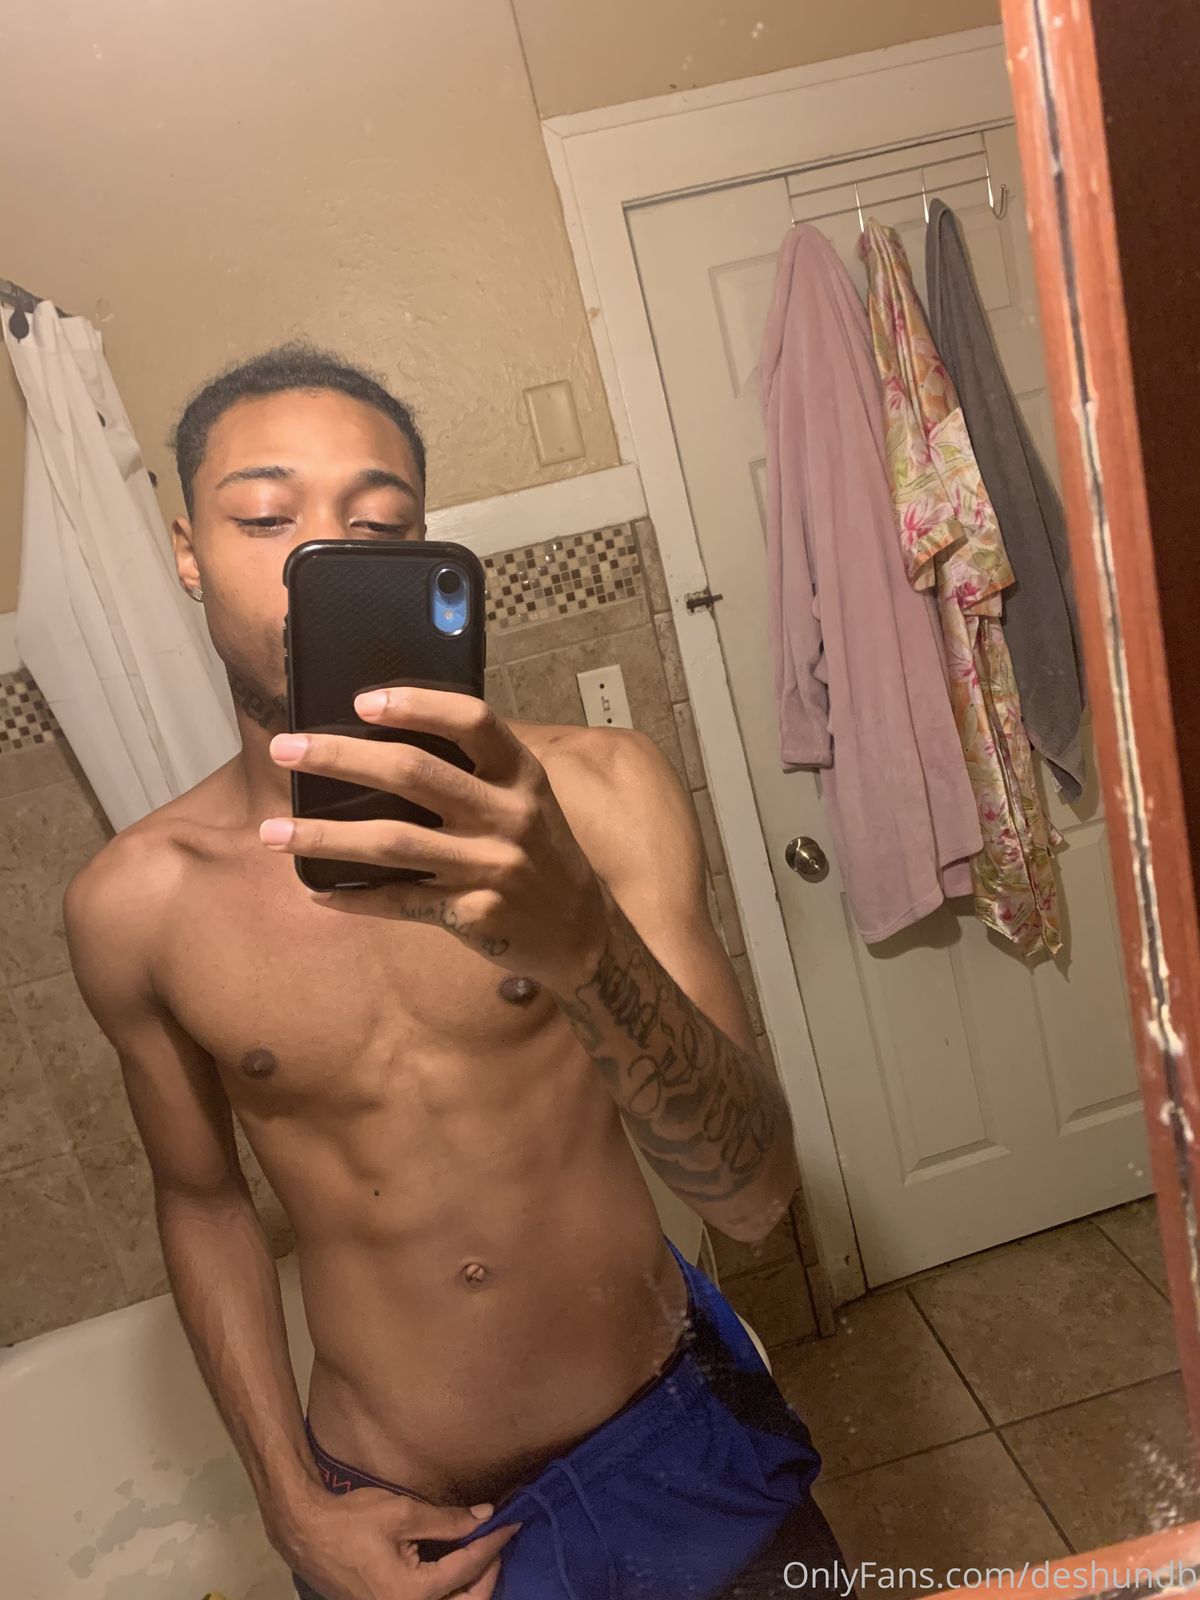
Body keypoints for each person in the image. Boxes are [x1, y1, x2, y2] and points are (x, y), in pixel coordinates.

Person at [64, 345, 846, 1600]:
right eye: (264, 517)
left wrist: (582, 943)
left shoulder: (598, 795)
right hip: (394, 1516)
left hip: (671, 1434)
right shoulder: (133, 905)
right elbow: (202, 1203)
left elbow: (752, 1195)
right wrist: (290, 1504)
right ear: (186, 549)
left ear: (424, 548)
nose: (321, 557)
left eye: (378, 526)